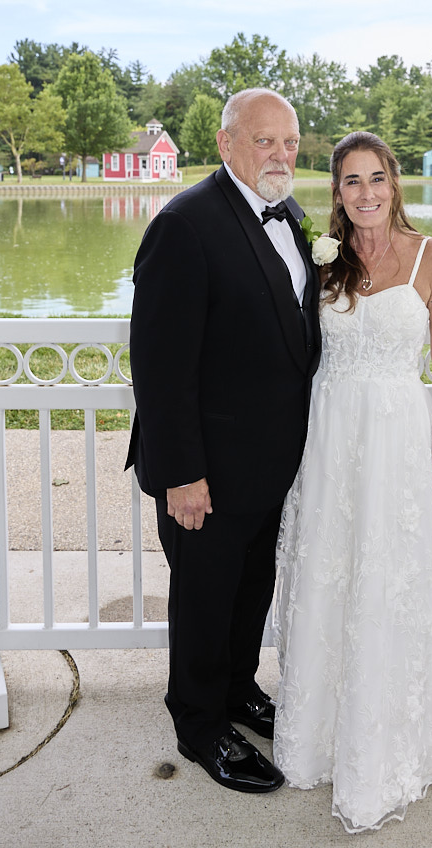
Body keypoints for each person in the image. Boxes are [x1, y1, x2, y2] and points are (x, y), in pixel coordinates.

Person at [274, 130, 432, 832]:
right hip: (331, 441)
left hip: (398, 439)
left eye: (376, 178)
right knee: (332, 575)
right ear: (336, 192)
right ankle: (320, 735)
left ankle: (395, 738)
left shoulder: (431, 254)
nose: (366, 193)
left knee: (393, 577)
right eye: (351, 180)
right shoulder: (320, 259)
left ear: (394, 184)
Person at [126, 88, 321, 794]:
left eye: (290, 143)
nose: (280, 155)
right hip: (204, 469)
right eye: (264, 141)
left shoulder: (289, 213)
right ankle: (200, 723)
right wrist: (182, 473)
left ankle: (238, 690)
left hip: (269, 464)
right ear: (225, 143)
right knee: (205, 600)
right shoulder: (185, 224)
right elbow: (159, 365)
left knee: (250, 591)